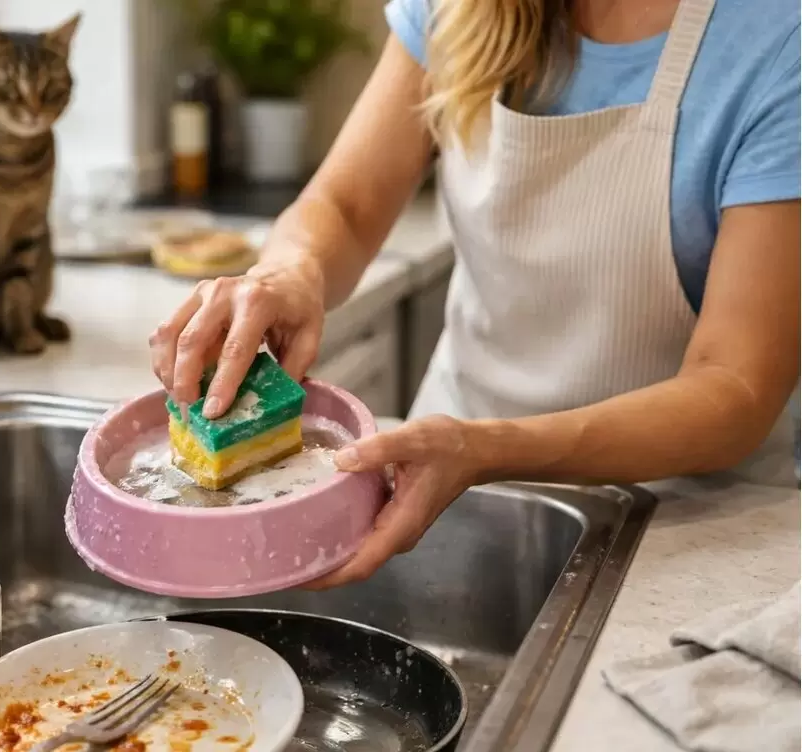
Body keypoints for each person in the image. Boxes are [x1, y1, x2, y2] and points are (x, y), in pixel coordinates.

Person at [149, 0, 801, 587]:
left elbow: (735, 389)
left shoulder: (777, 39)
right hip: (449, 492)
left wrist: (490, 448)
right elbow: (346, 206)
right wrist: (287, 273)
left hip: (682, 526)